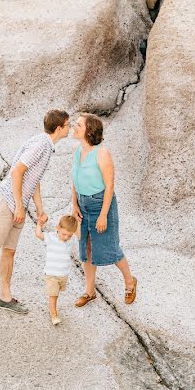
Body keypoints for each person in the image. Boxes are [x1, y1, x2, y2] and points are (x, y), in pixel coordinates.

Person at [0, 109, 70, 319]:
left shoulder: (45, 145)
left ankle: (5, 297)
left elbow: (32, 178)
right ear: (59, 128)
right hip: (8, 203)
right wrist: (18, 205)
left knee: (9, 252)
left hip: (19, 205)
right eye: (68, 125)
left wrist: (39, 208)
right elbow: (17, 171)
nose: (70, 129)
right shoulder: (40, 145)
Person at [70, 113, 137, 307]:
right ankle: (89, 292)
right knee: (87, 249)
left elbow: (110, 186)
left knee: (110, 248)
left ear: (89, 131)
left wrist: (103, 215)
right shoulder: (77, 151)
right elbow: (75, 180)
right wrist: (74, 204)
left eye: (79, 125)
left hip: (101, 205)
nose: (75, 127)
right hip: (82, 205)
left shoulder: (102, 153)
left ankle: (130, 282)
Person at [34, 215, 79, 325]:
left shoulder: (71, 240)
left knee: (57, 294)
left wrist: (79, 224)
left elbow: (79, 237)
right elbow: (39, 234)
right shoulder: (51, 237)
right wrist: (39, 225)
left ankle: (53, 312)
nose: (66, 237)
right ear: (57, 228)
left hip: (63, 274)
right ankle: (54, 315)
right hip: (51, 274)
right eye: (63, 234)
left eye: (69, 235)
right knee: (53, 296)